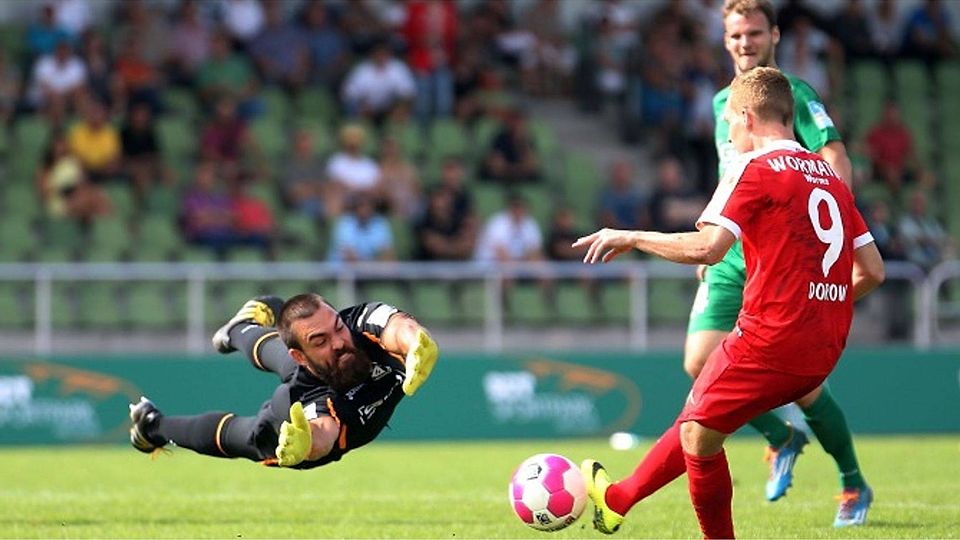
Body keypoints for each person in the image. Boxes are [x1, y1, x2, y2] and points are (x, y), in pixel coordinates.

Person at [573, 67, 884, 538]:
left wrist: (632, 236)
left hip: (769, 341)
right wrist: (819, 304)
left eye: (730, 126)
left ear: (746, 117)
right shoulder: (831, 178)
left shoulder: (752, 170)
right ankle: (617, 499)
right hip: (823, 347)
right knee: (701, 421)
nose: (729, 136)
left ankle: (644, 509)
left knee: (697, 434)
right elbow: (873, 270)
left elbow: (708, 249)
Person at [682, 0, 873, 526]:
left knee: (804, 387)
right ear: (725, 40)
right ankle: (781, 436)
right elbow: (732, 177)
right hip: (732, 252)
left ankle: (853, 482)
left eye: (755, 33)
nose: (745, 42)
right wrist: (711, 237)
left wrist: (829, 232)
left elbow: (832, 156)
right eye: (736, 34)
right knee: (698, 360)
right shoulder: (725, 100)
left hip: (783, 258)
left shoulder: (792, 96)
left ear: (775, 35)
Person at [129, 293, 439, 469]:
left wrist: (417, 344)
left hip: (315, 367)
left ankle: (238, 328)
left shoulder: (359, 323)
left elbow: (399, 326)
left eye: (337, 328)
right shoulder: (310, 392)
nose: (339, 341)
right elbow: (322, 433)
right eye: (320, 340)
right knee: (249, 437)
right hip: (305, 397)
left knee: (291, 353)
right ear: (303, 356)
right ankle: (152, 426)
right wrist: (305, 445)